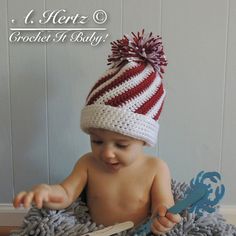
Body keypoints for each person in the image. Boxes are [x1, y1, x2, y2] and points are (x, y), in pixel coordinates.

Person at [13, 30, 181, 235]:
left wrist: (162, 218)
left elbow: (162, 205)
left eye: (121, 145)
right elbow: (66, 193)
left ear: (143, 140)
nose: (107, 153)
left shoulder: (156, 169)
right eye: (97, 141)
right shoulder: (88, 164)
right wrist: (47, 193)